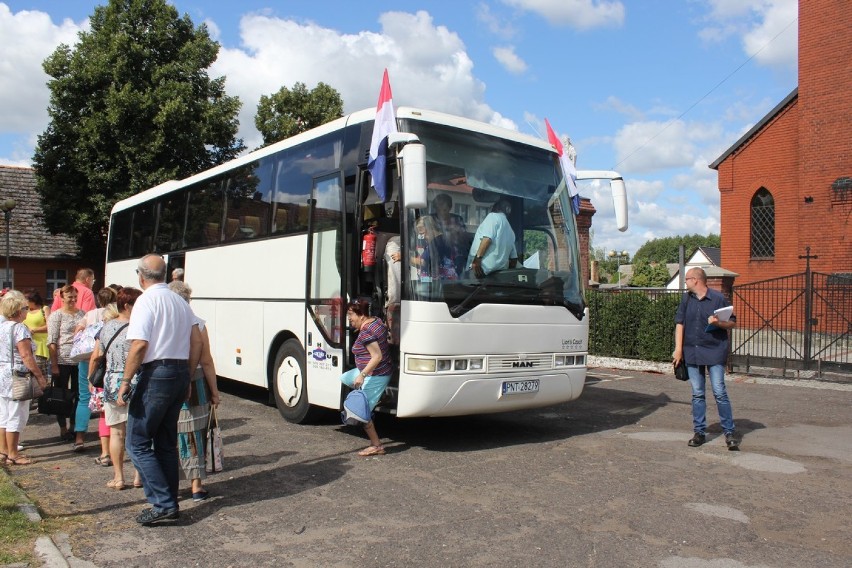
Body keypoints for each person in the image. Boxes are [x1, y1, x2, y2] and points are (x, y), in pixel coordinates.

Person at [117, 254, 201, 526]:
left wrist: (126, 381)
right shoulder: (179, 300)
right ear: (165, 274)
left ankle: (163, 503)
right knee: (165, 443)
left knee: (137, 442)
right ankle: (168, 501)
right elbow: (195, 340)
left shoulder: (146, 300)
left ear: (140, 276)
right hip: (178, 371)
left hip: (158, 373)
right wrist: (187, 377)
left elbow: (139, 345)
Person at [673, 267, 739, 450]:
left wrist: (718, 323)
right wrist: (678, 350)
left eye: (686, 279)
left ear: (695, 280)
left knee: (719, 391)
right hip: (692, 352)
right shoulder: (686, 299)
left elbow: (732, 322)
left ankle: (729, 432)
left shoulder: (717, 298)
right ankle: (699, 432)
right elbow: (680, 323)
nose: (685, 283)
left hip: (714, 350)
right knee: (697, 394)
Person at [169, 280, 221, 502]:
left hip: (168, 381)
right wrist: (215, 392)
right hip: (196, 383)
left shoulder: (164, 323)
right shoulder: (198, 324)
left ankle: (169, 485)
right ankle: (196, 487)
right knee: (195, 432)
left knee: (170, 433)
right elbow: (206, 361)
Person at [91, 286, 143, 489]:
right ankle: (138, 476)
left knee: (116, 433)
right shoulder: (140, 327)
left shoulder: (106, 327)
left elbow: (98, 355)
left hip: (111, 382)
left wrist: (91, 378)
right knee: (138, 432)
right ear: (127, 305)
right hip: (136, 381)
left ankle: (119, 477)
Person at [339, 299, 393, 456]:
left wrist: (362, 375)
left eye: (351, 315)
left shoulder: (366, 333)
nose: (349, 318)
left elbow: (376, 356)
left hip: (376, 374)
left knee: (361, 411)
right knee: (345, 377)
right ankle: (380, 396)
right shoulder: (375, 321)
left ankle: (377, 446)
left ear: (361, 315)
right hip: (373, 370)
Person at [0, 291, 49, 465]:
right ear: (18, 310)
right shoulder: (19, 328)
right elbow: (26, 356)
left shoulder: (2, 326)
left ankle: (3, 451)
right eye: (25, 308)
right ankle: (13, 454)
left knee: (4, 414)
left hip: (3, 374)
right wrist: (40, 377)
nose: (27, 311)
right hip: (18, 376)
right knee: (17, 415)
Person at [73, 287, 117, 453]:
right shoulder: (115, 313)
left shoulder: (90, 314)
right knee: (109, 404)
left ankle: (79, 438)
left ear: (99, 299)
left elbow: (77, 331)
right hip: (107, 363)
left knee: (84, 398)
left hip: (87, 360)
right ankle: (111, 443)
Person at [47, 285, 85, 441]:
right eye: (70, 297)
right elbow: (52, 341)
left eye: (75, 296)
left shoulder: (82, 313)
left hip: (79, 360)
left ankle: (74, 425)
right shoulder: (56, 316)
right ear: (62, 298)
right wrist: (54, 364)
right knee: (61, 395)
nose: (73, 300)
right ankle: (63, 427)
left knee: (78, 394)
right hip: (62, 359)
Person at [467, 199, 518, 278]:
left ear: (496, 208)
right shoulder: (510, 231)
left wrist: (477, 260)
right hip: (498, 276)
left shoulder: (493, 217)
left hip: (480, 271)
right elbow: (514, 259)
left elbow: (487, 239)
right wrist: (509, 275)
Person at [411, 216, 459, 282]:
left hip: (440, 284)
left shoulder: (437, 242)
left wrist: (404, 258)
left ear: (430, 228)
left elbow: (423, 262)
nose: (423, 237)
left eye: (423, 233)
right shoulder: (440, 240)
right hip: (437, 282)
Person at [23, 290, 50, 382]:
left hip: (40, 347)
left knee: (41, 374)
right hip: (26, 347)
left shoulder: (44, 309)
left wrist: (34, 330)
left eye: (25, 300)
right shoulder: (24, 310)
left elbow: (49, 326)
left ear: (32, 300)